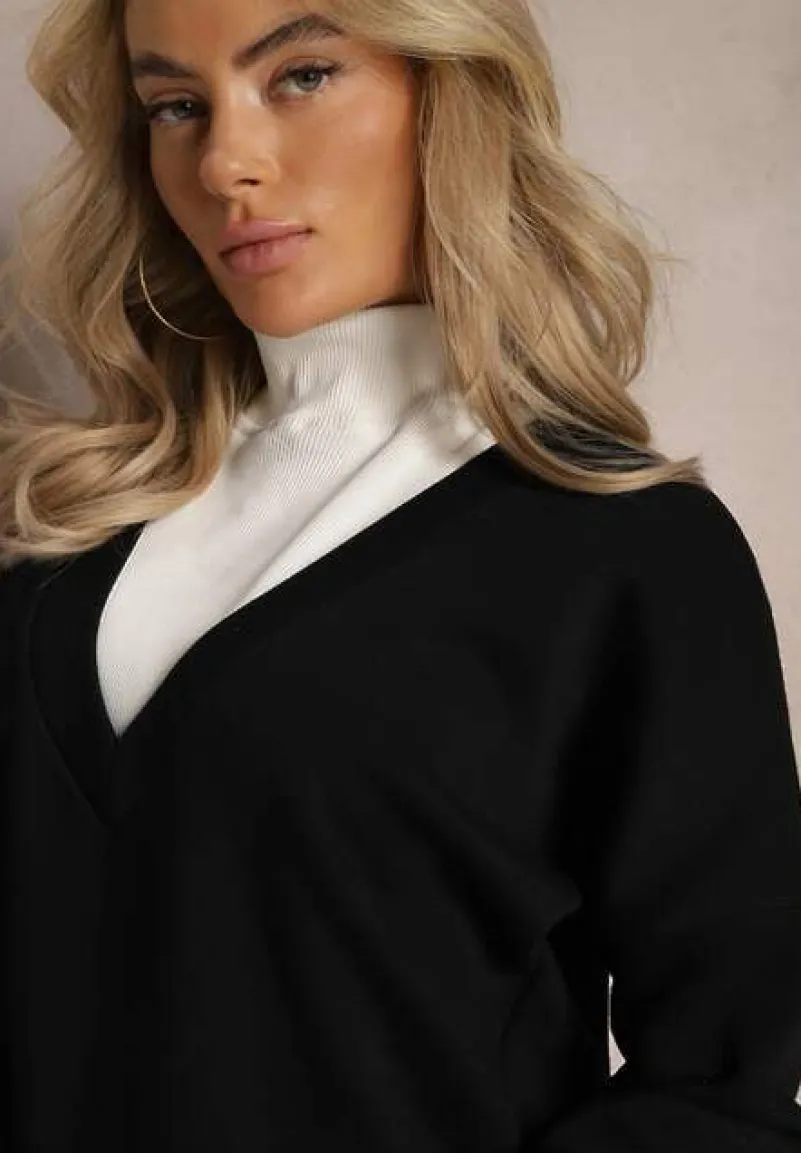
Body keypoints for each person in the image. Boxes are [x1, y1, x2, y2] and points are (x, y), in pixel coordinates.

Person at [1, 0, 800, 1149]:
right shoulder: (56, 540)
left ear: (450, 90)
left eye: (302, 76)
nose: (225, 161)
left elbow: (726, 1083)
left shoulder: (625, 553)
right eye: (175, 106)